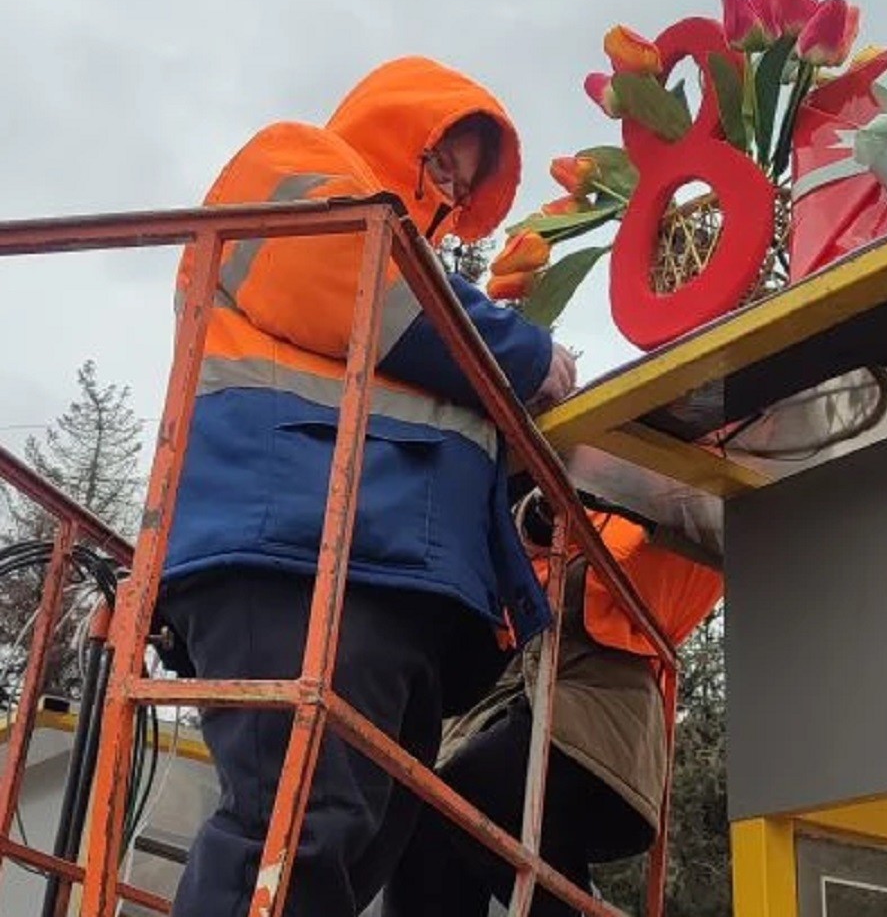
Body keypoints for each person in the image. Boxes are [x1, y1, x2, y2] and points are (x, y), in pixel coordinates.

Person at [156, 56, 577, 917]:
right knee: (299, 827)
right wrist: (533, 357)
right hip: (299, 545)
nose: (450, 191)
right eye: (441, 162)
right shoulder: (292, 166)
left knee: (348, 840)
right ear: (398, 127)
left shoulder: (426, 292)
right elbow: (373, 295)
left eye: (461, 184)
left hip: (384, 569)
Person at [354, 487, 724, 915]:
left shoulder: (687, 503)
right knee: (423, 818)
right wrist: (542, 516)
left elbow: (683, 566)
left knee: (469, 793)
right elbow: (513, 561)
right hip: (510, 710)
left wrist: (617, 507)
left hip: (598, 716)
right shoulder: (549, 500)